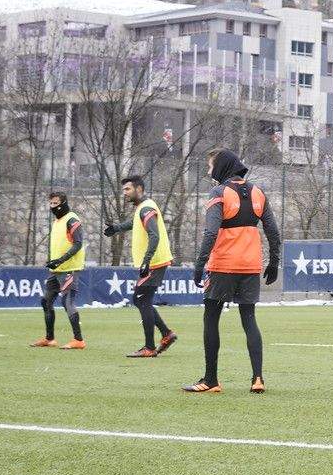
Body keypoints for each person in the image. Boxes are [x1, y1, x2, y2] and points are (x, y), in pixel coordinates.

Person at [184, 149, 280, 395]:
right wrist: (274, 262)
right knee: (249, 319)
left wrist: (199, 264)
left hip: (223, 265)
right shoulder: (258, 192)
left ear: (221, 167)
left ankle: (211, 380)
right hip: (250, 265)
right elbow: (272, 231)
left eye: (210, 166)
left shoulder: (218, 193)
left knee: (211, 318)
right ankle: (257, 378)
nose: (209, 171)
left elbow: (210, 232)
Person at [103, 174, 178, 358]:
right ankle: (166, 334)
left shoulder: (146, 209)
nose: (125, 193)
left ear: (139, 189)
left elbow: (154, 235)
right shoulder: (142, 209)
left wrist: (146, 260)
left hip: (154, 263)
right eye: (124, 190)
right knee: (141, 299)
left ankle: (150, 347)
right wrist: (117, 228)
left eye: (128, 189)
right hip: (154, 262)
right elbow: (135, 224)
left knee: (141, 299)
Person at [33, 190, 88, 349]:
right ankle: (50, 338)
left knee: (67, 301)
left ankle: (78, 340)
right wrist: (55, 262)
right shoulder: (57, 221)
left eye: (55, 203)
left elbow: (78, 244)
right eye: (51, 204)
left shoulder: (72, 219)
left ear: (63, 203)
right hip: (57, 269)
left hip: (70, 268)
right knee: (46, 301)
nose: (53, 207)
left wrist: (60, 260)